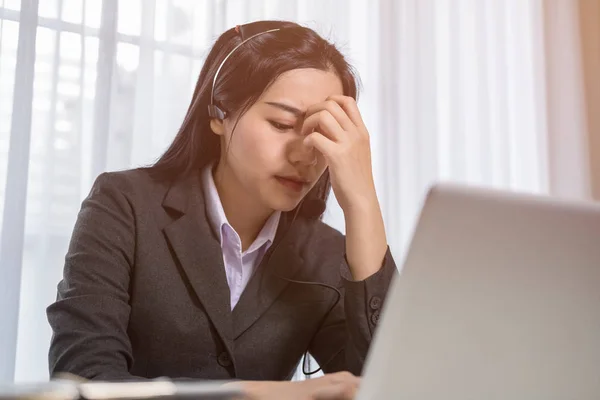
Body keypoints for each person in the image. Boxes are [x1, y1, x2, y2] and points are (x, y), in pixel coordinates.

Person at [47, 20, 397, 399]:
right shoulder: (124, 204)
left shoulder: (324, 252)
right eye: (282, 124)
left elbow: (394, 385)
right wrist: (259, 394)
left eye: (322, 134)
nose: (303, 155)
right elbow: (85, 378)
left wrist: (362, 203)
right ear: (218, 113)